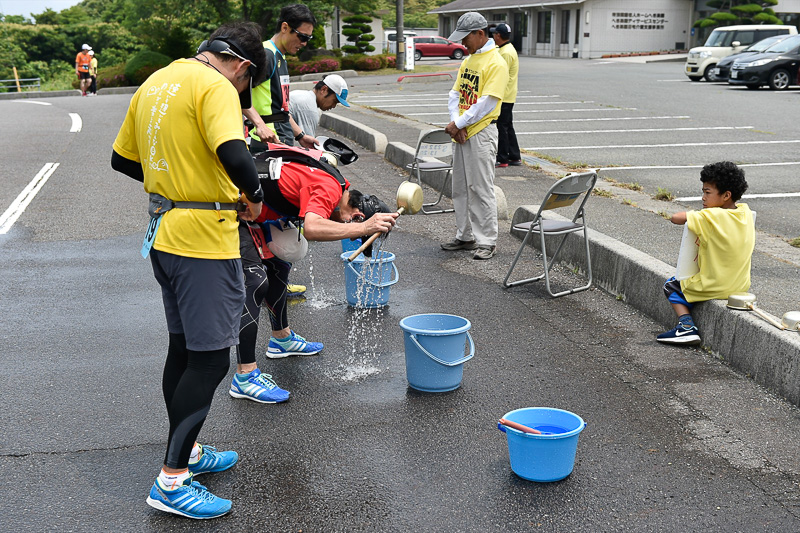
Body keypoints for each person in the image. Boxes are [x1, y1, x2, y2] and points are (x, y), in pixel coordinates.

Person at [111, 22, 268, 519]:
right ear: (240, 65)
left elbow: (122, 159)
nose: (243, 93)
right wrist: (255, 196)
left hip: (165, 232)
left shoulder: (157, 80)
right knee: (208, 361)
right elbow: (234, 153)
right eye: (248, 82)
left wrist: (172, 180)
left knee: (183, 349)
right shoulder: (217, 86)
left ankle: (189, 451)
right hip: (204, 237)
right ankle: (172, 479)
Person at [231, 144, 398, 404]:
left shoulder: (337, 185)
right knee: (255, 281)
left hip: (253, 209)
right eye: (354, 225)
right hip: (230, 206)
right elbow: (312, 228)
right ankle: (245, 376)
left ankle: (281, 340)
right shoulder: (329, 188)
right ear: (357, 215)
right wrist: (364, 228)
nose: (347, 228)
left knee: (279, 267)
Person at [657, 161, 755, 346]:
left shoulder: (711, 216)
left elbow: (676, 218)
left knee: (671, 285)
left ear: (726, 195)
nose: (703, 197)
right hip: (740, 286)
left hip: (715, 285)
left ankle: (686, 327)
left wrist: (697, 213)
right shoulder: (745, 212)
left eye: (707, 192)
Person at [440, 12, 508, 261]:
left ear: (480, 34)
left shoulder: (496, 62)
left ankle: (487, 240)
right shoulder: (469, 60)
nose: (462, 44)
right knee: (460, 187)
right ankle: (465, 235)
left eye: (465, 38)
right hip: (462, 131)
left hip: (481, 132)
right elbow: (455, 94)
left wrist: (458, 123)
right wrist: (456, 123)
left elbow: (488, 102)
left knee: (480, 188)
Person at [243, 3, 318, 150]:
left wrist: (300, 135)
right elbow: (238, 92)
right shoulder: (266, 55)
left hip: (281, 139)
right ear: (285, 28)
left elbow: (281, 109)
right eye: (302, 36)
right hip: (265, 142)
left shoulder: (280, 57)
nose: (304, 43)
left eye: (308, 38)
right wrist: (260, 125)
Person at [491, 23, 521, 168]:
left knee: (502, 127)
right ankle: (514, 156)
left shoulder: (506, 53)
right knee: (507, 126)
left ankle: (502, 158)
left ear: (498, 35)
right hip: (508, 94)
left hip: (504, 95)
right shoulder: (505, 49)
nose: (492, 36)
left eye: (494, 34)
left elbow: (502, 75)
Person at [289, 74, 350, 138]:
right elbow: (308, 144)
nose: (334, 106)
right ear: (323, 89)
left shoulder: (301, 94)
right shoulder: (310, 108)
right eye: (334, 101)